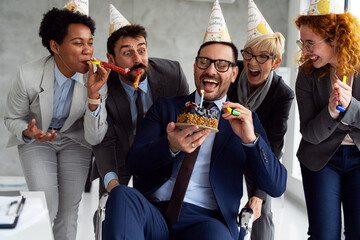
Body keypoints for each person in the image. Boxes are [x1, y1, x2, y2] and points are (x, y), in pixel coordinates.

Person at [102, 40, 287, 240]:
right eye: (204, 62)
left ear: (234, 74)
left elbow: (276, 186)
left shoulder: (245, 120)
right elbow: (134, 163)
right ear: (194, 67)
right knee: (121, 194)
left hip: (207, 221)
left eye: (222, 65)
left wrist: (250, 139)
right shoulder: (166, 108)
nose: (211, 71)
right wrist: (170, 146)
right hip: (154, 211)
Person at [4, 7, 110, 240]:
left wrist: (93, 95)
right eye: (78, 43)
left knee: (68, 212)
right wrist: (28, 131)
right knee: (46, 207)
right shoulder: (28, 76)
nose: (88, 50)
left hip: (75, 140)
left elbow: (94, 138)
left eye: (90, 42)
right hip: (36, 141)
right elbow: (12, 118)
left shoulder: (97, 78)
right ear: (55, 46)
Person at [91, 23, 189, 194]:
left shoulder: (173, 74)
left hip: (158, 152)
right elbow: (103, 141)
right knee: (109, 209)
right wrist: (111, 182)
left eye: (141, 50)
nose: (138, 60)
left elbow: (184, 120)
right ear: (111, 59)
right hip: (118, 156)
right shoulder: (103, 85)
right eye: (127, 53)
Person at [295, 3, 360, 239]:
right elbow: (310, 133)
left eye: (310, 43)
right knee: (324, 235)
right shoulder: (306, 75)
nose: (304, 51)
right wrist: (332, 112)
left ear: (335, 38)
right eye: (302, 43)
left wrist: (350, 107)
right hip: (321, 160)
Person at [227, 32, 294, 240]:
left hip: (257, 153)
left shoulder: (282, 94)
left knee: (261, 211)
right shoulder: (232, 70)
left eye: (262, 56)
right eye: (249, 54)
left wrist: (258, 195)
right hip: (226, 148)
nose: (252, 62)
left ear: (275, 62)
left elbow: (273, 145)